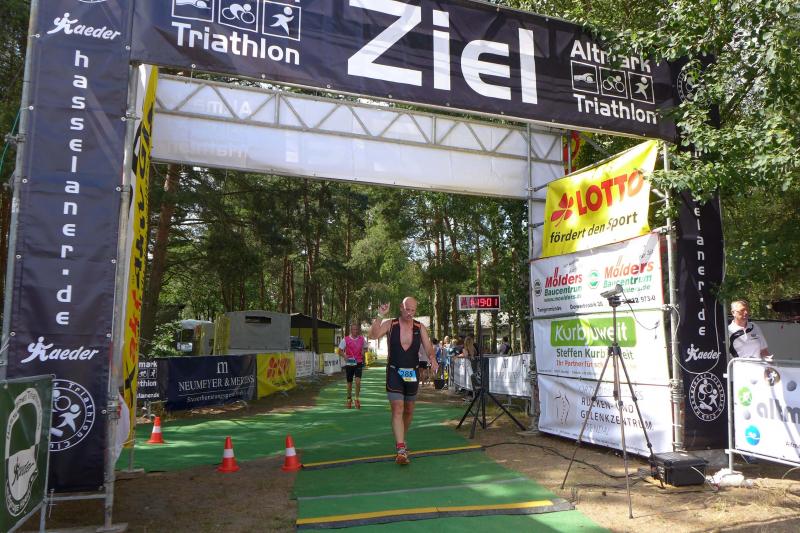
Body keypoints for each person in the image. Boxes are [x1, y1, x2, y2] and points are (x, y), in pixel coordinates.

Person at [369, 297, 438, 465]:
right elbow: (373, 335)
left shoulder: (419, 327)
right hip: (394, 371)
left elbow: (428, 346)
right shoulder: (390, 324)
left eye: (413, 310)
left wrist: (433, 358)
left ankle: (401, 439)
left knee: (409, 409)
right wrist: (380, 315)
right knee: (398, 407)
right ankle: (400, 449)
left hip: (412, 373)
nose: (410, 313)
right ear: (401, 307)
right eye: (407, 309)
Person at [338, 323, 368, 409]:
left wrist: (363, 351)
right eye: (354, 329)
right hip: (350, 363)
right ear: (351, 330)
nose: (355, 331)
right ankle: (349, 399)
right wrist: (344, 356)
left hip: (358, 362)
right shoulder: (346, 339)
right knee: (349, 383)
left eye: (357, 329)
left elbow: (366, 348)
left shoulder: (362, 339)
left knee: (358, 382)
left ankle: (357, 399)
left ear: (358, 330)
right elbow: (339, 350)